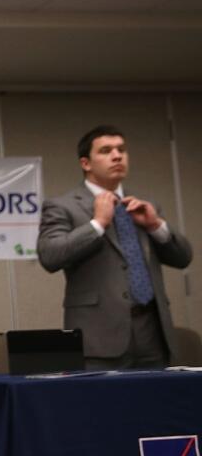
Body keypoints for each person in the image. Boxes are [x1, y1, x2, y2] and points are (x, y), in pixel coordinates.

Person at [37, 125, 192, 368]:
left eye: (121, 150)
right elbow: (50, 256)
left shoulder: (143, 205)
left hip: (152, 332)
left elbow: (183, 258)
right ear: (86, 163)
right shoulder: (63, 206)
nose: (117, 156)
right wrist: (97, 223)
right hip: (99, 336)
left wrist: (156, 226)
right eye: (106, 151)